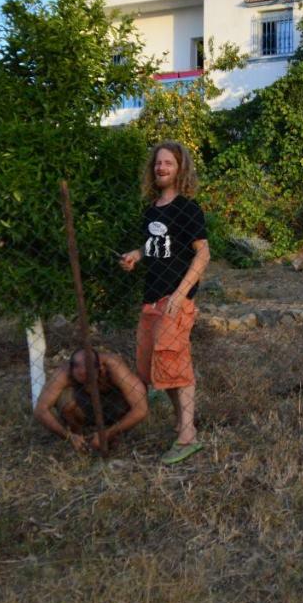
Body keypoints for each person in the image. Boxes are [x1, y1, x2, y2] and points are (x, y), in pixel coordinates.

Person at [119, 140, 209, 465]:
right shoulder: (151, 210)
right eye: (158, 163)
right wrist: (136, 255)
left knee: (175, 363)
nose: (161, 168)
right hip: (151, 299)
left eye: (168, 163)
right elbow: (155, 245)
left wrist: (180, 294)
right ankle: (182, 421)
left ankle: (187, 435)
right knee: (157, 367)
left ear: (180, 168)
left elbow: (203, 253)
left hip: (175, 300)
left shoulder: (188, 208)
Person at [33, 347, 148, 453]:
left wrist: (108, 434)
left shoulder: (114, 366)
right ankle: (78, 437)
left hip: (114, 404)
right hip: (83, 406)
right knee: (65, 400)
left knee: (134, 396)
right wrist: (68, 436)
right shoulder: (63, 373)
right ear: (72, 370)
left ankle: (116, 434)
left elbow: (141, 410)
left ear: (100, 368)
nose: (87, 383)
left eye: (89, 377)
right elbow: (41, 410)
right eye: (81, 379)